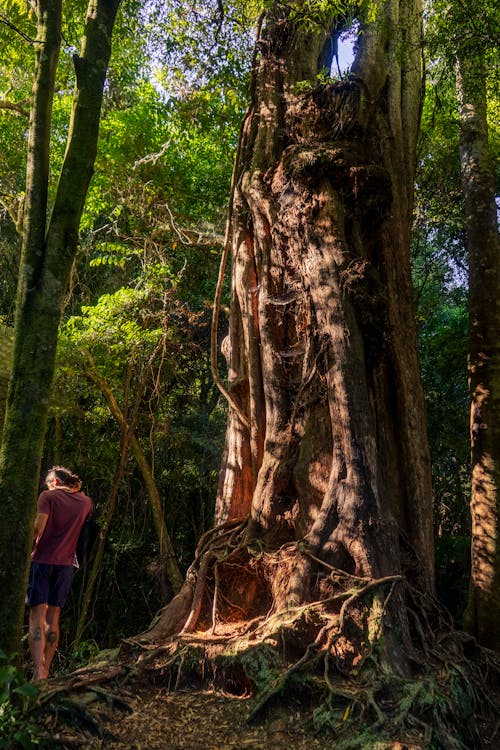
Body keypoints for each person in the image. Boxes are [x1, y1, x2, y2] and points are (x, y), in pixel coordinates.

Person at [26, 466, 93, 680]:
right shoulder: (85, 502)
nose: (47, 487)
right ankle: (47, 670)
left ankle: (38, 672)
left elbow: (38, 529)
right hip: (66, 565)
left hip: (42, 561)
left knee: (37, 616)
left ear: (54, 482)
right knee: (53, 617)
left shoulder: (48, 497)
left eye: (48, 483)